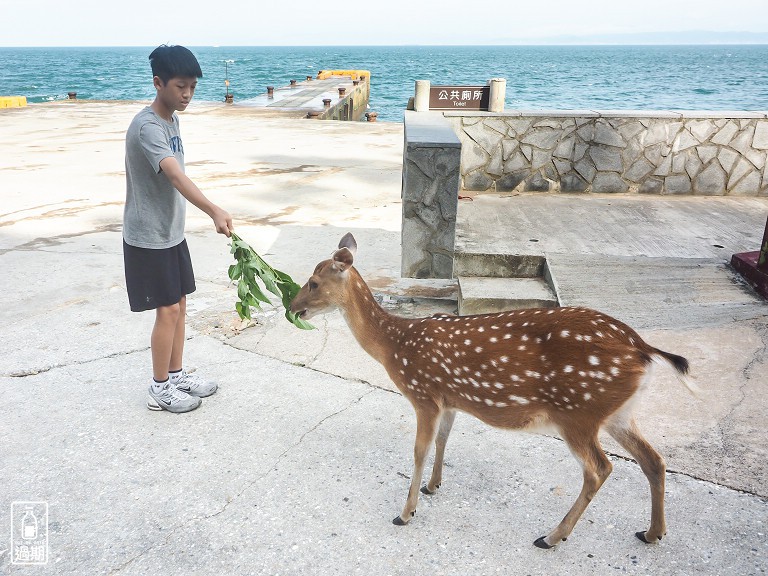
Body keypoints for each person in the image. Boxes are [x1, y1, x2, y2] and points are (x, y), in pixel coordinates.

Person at [123, 44, 232, 413]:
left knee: (181, 306)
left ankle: (175, 373)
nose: (187, 95)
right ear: (158, 83)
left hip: (170, 232)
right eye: (180, 87)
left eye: (193, 88)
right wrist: (213, 209)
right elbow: (174, 174)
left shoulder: (172, 120)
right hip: (148, 237)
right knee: (167, 310)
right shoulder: (147, 126)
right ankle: (159, 388)